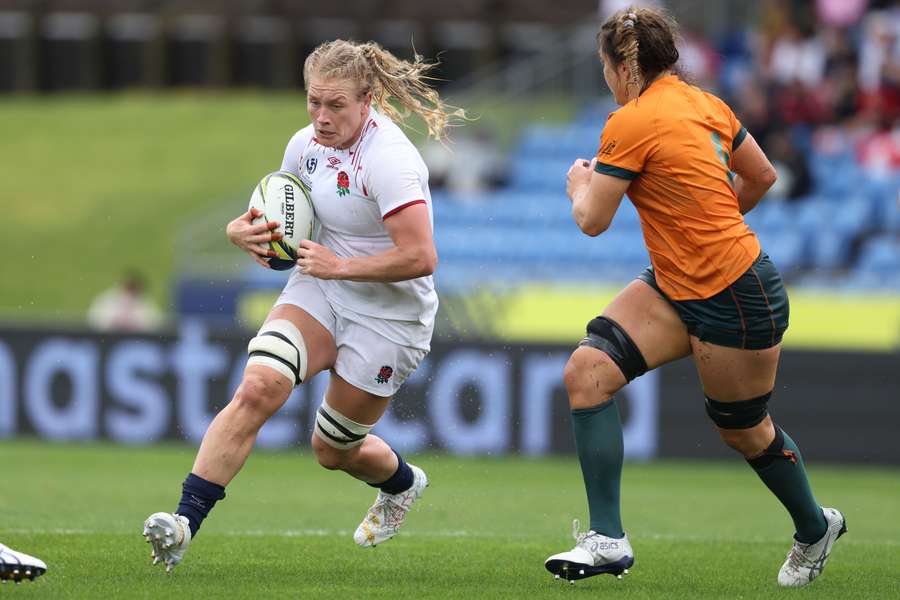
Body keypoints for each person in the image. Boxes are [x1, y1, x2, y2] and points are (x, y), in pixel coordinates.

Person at [544, 7, 845, 588]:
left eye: (605, 67)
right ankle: (607, 539)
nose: (606, 78)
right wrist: (709, 223)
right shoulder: (707, 102)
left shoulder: (628, 122)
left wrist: (578, 183)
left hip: (734, 293)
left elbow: (592, 221)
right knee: (588, 371)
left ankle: (815, 526)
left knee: (742, 429)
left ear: (622, 67)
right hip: (683, 279)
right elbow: (761, 177)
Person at [143, 39, 464, 572]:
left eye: (336, 105)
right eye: (314, 101)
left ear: (368, 100)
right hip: (320, 290)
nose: (321, 117)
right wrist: (240, 232)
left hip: (390, 316)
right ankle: (183, 524)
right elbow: (280, 221)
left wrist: (339, 265)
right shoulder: (305, 146)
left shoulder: (390, 161)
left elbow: (421, 256)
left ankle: (402, 484)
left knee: (331, 450)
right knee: (258, 386)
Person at [87, 270, 163, 332]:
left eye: (133, 289)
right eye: (128, 287)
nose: (129, 294)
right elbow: (94, 321)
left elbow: (155, 325)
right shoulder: (107, 300)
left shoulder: (146, 304)